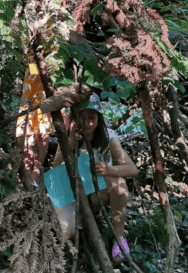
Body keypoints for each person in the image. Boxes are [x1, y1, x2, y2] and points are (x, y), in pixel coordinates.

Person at [53, 93, 138, 263]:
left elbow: (132, 169)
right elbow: (56, 167)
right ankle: (79, 222)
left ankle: (119, 237)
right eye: (81, 117)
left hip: (96, 194)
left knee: (118, 184)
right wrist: (70, 140)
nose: (87, 123)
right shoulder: (67, 135)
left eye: (91, 117)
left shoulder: (108, 137)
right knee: (63, 232)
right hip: (70, 194)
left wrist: (108, 169)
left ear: (99, 118)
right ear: (74, 117)